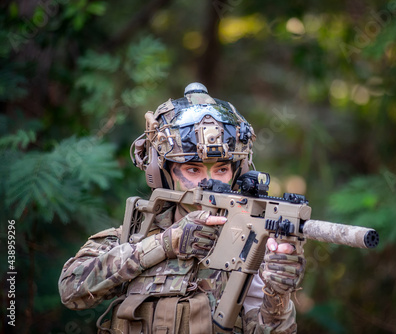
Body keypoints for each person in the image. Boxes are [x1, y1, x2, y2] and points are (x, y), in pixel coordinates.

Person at [58, 83, 306, 334]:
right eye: (192, 169)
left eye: (222, 169)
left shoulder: (250, 247)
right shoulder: (135, 236)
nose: (209, 183)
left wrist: (277, 295)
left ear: (237, 171)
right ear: (161, 172)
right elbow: (72, 290)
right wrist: (167, 244)